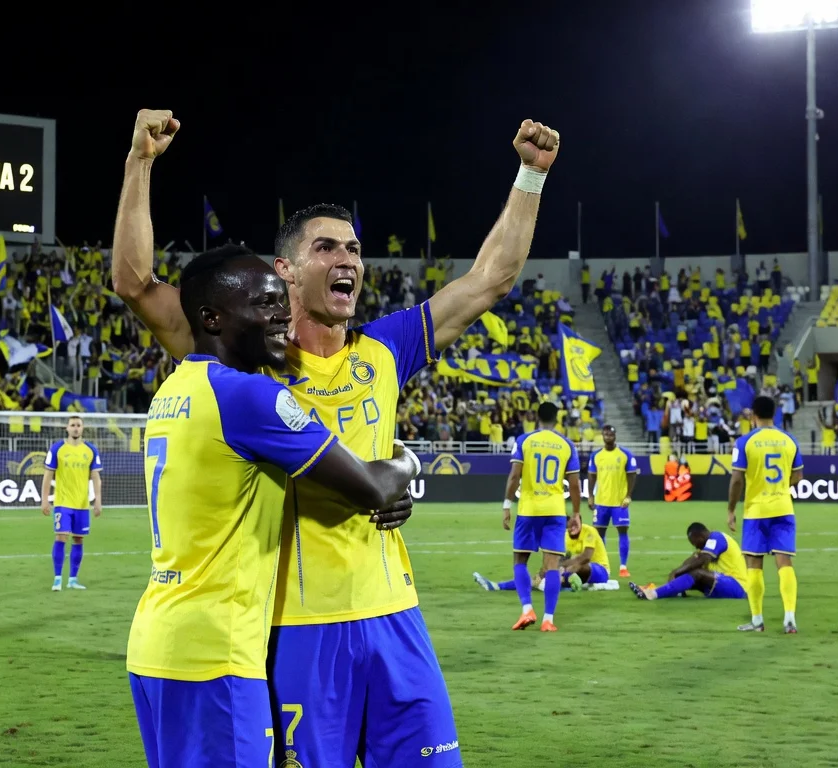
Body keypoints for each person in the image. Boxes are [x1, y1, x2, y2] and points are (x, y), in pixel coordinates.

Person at [113, 108, 559, 766]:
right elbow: (135, 283)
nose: (347, 259)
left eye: (353, 249)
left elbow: (488, 280)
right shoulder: (243, 362)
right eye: (326, 248)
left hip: (395, 616)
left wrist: (530, 176)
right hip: (297, 629)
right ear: (285, 270)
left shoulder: (386, 348)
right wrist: (140, 162)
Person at [123, 244, 423, 768]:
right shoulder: (249, 397)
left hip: (155, 647)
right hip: (217, 653)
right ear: (212, 318)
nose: (283, 314)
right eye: (265, 303)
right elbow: (373, 487)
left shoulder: (175, 388)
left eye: (281, 300)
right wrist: (408, 461)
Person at [502, 401, 582, 631]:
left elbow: (514, 476)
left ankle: (527, 609)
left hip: (529, 510)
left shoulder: (524, 440)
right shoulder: (566, 445)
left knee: (520, 560)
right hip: (555, 511)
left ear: (537, 417)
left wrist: (507, 505)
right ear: (557, 419)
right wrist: (576, 513)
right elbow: (574, 485)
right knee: (553, 565)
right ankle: (548, 620)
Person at [729, 394, 802, 633]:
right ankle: (789, 618)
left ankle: (757, 620)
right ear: (774, 414)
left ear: (753, 415)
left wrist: (731, 509)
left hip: (756, 511)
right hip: (783, 508)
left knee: (754, 563)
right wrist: (781, 490)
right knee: (784, 562)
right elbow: (798, 476)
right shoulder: (790, 440)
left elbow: (737, 480)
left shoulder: (745, 442)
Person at [41, 415, 102, 591]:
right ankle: (57, 579)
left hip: (82, 504)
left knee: (78, 539)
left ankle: (73, 579)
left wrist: (98, 500)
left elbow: (96, 477)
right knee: (61, 536)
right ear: (67, 428)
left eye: (78, 425)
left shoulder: (90, 450)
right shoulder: (57, 449)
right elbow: (48, 475)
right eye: (72, 425)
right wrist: (44, 499)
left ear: (82, 428)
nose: (75, 428)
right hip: (63, 502)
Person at [472, 514, 610, 592]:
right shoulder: (564, 537)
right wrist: (545, 572)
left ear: (581, 522)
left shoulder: (589, 531)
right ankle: (498, 586)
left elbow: (586, 557)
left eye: (576, 524)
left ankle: (565, 581)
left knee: (577, 564)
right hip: (571, 571)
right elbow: (557, 560)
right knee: (542, 576)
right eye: (570, 525)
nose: (573, 527)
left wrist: (565, 568)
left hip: (599, 570)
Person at [629, 522, 748, 600]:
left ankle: (652, 594)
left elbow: (702, 559)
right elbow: (691, 561)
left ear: (701, 536)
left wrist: (676, 572)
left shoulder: (717, 538)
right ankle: (662, 590)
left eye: (695, 542)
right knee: (688, 573)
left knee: (697, 573)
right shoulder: (705, 545)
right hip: (723, 585)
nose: (696, 547)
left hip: (738, 587)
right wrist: (677, 572)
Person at [587, 424, 638, 578]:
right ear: (602, 436)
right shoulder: (596, 455)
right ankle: (602, 564)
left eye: (610, 434)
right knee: (599, 534)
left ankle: (623, 566)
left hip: (619, 503)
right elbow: (592, 476)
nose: (608, 436)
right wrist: (590, 496)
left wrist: (628, 495)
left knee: (622, 531)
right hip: (601, 502)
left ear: (615, 436)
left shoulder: (625, 454)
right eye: (606, 434)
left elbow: (632, 475)